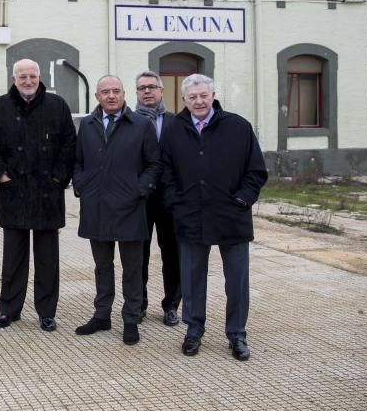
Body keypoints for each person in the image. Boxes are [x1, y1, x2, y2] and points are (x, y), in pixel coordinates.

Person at [160, 74, 268, 361]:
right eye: (192, 97)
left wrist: (243, 199)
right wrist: (175, 203)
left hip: (232, 216)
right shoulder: (173, 130)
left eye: (203, 95)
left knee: (236, 281)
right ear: (184, 99)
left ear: (213, 95)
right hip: (190, 217)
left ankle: (237, 335)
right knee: (192, 279)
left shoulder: (238, 126)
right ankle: (193, 330)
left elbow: (256, 171)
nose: (198, 101)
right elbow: (165, 172)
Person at [0, 59, 76, 332]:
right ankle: (9, 310)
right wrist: (0, 175)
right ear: (14, 79)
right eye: (22, 76)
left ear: (40, 77)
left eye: (32, 76)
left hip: (48, 195)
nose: (28, 81)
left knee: (48, 258)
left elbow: (69, 144)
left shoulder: (57, 106)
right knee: (13, 258)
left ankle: (47, 312)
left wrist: (59, 178)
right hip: (13, 193)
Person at [73, 76, 160, 345]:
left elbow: (154, 164)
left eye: (116, 91)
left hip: (130, 207)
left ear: (124, 94)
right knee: (102, 266)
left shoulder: (141, 125)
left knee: (132, 268)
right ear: (97, 96)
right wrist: (81, 186)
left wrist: (139, 188)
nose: (111, 96)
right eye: (105, 92)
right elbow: (78, 162)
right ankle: (102, 315)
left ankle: (131, 318)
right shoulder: (87, 125)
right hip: (96, 205)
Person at [134, 70, 181, 326]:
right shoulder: (128, 122)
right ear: (136, 93)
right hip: (139, 198)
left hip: (170, 200)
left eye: (152, 86)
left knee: (172, 254)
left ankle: (171, 305)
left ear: (161, 91)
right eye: (142, 88)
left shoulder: (176, 122)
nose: (147, 91)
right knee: (137, 254)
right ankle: (138, 303)